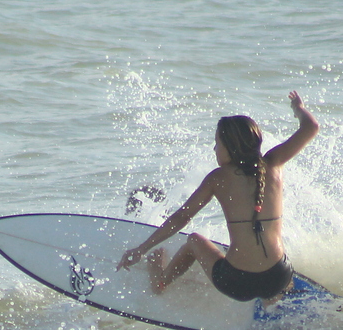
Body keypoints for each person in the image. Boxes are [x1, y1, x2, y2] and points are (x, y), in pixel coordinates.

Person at [117, 91, 320, 302]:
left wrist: (141, 249)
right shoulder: (274, 163)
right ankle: (273, 298)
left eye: (217, 143)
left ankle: (160, 283)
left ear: (230, 147)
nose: (214, 148)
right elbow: (311, 127)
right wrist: (299, 109)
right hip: (278, 277)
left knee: (194, 240)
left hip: (235, 283)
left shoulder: (218, 178)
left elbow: (181, 218)